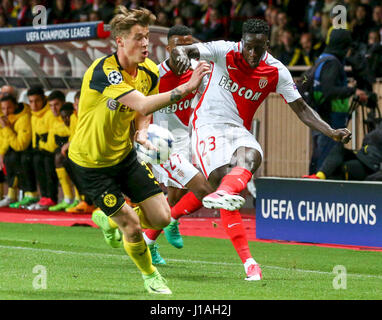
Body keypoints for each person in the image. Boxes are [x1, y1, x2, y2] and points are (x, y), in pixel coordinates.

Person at [171, 18, 352, 281]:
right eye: (248, 47)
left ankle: (247, 262)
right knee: (217, 181)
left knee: (251, 157)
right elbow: (187, 50)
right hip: (206, 123)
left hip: (236, 128)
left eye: (258, 48)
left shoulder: (276, 70)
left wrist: (331, 131)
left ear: (267, 44)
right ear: (241, 42)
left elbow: (301, 108)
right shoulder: (224, 50)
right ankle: (169, 225)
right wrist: (178, 54)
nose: (252, 54)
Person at [67, 7, 210, 295]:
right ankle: (151, 276)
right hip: (91, 164)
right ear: (119, 41)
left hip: (125, 157)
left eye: (146, 38)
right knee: (132, 226)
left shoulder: (149, 71)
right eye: (137, 38)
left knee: (162, 218)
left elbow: (141, 112)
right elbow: (143, 104)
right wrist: (188, 87)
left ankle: (107, 217)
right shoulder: (104, 72)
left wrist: (142, 131)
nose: (145, 44)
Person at [140, 25, 215, 265]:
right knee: (198, 186)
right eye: (179, 45)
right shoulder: (155, 74)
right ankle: (163, 224)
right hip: (158, 138)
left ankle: (149, 239)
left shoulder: (198, 71)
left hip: (186, 137)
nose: (186, 50)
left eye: (189, 44)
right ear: (168, 48)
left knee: (173, 197)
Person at [307, 29, 368, 174]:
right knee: (326, 162)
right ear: (342, 46)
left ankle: (311, 189)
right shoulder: (333, 63)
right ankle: (321, 193)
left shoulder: (321, 59)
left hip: (319, 117)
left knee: (318, 157)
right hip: (331, 121)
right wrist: (353, 91)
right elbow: (329, 90)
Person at [305, 124, 382, 181]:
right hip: (363, 155)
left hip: (374, 165)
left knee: (347, 166)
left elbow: (371, 137)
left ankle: (323, 187)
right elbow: (370, 137)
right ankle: (319, 176)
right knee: (338, 149)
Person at [0, 94, 34, 207]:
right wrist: (1, 152)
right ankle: (11, 195)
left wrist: (6, 128)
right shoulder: (9, 117)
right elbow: (5, 139)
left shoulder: (24, 117)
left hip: (27, 150)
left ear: (15, 105)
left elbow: (20, 145)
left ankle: (17, 195)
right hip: (16, 149)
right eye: (3, 108)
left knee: (13, 159)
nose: (6, 111)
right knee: (8, 157)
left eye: (8, 107)